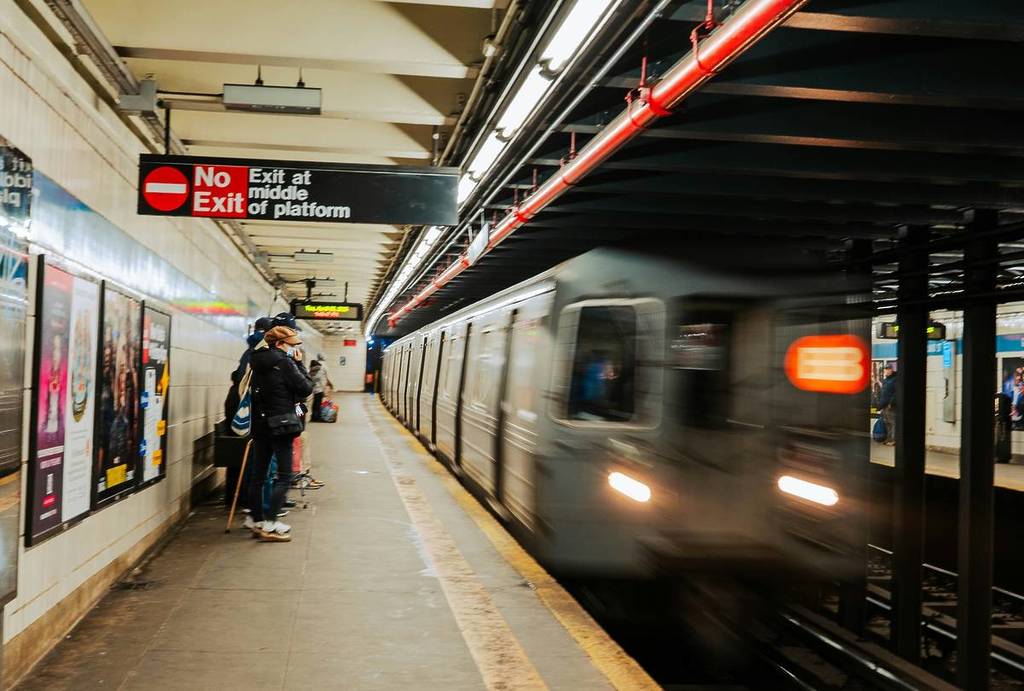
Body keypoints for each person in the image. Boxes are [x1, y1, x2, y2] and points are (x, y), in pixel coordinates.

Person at [243, 326, 313, 541]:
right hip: (282, 426)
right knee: (283, 477)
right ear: (280, 344)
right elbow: (306, 388)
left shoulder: (256, 361)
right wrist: (300, 364)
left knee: (258, 476)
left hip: (261, 427)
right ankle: (271, 523)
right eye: (292, 345)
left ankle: (257, 520)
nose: (295, 349)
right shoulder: (284, 362)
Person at [877, 365, 897, 446]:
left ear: (891, 370)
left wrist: (891, 403)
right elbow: (883, 393)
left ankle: (893, 440)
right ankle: (888, 438)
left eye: (888, 369)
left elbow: (895, 393)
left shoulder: (895, 379)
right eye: (885, 370)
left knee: (892, 423)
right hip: (884, 405)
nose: (887, 371)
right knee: (887, 423)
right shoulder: (885, 380)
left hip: (890, 405)